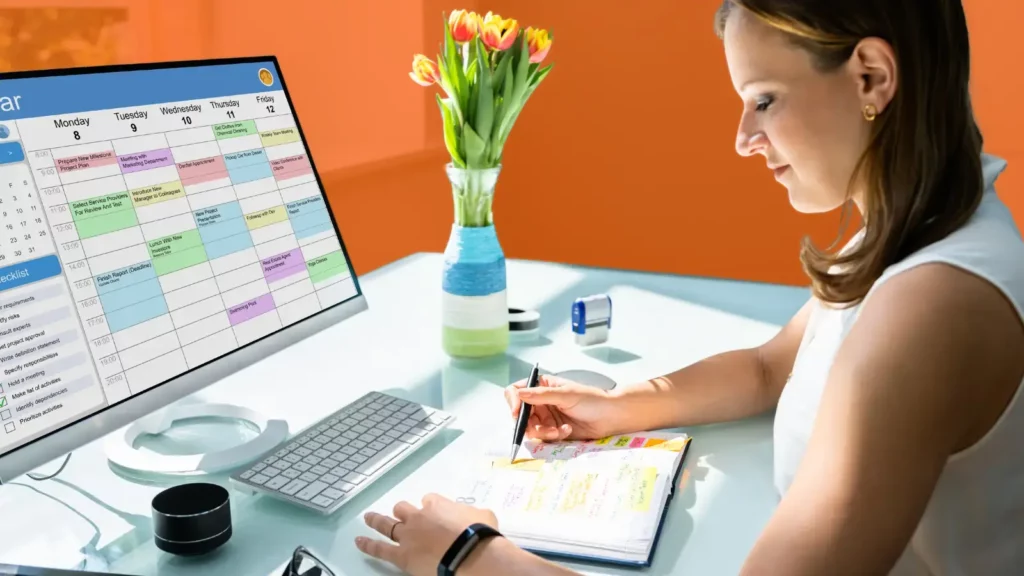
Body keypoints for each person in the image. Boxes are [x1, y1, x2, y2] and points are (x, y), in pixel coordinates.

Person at [356, 0, 1024, 574]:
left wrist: (471, 554)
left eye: (764, 99)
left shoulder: (930, 308)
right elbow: (770, 368)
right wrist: (618, 409)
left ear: (872, 77)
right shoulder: (917, 226)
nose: (743, 139)